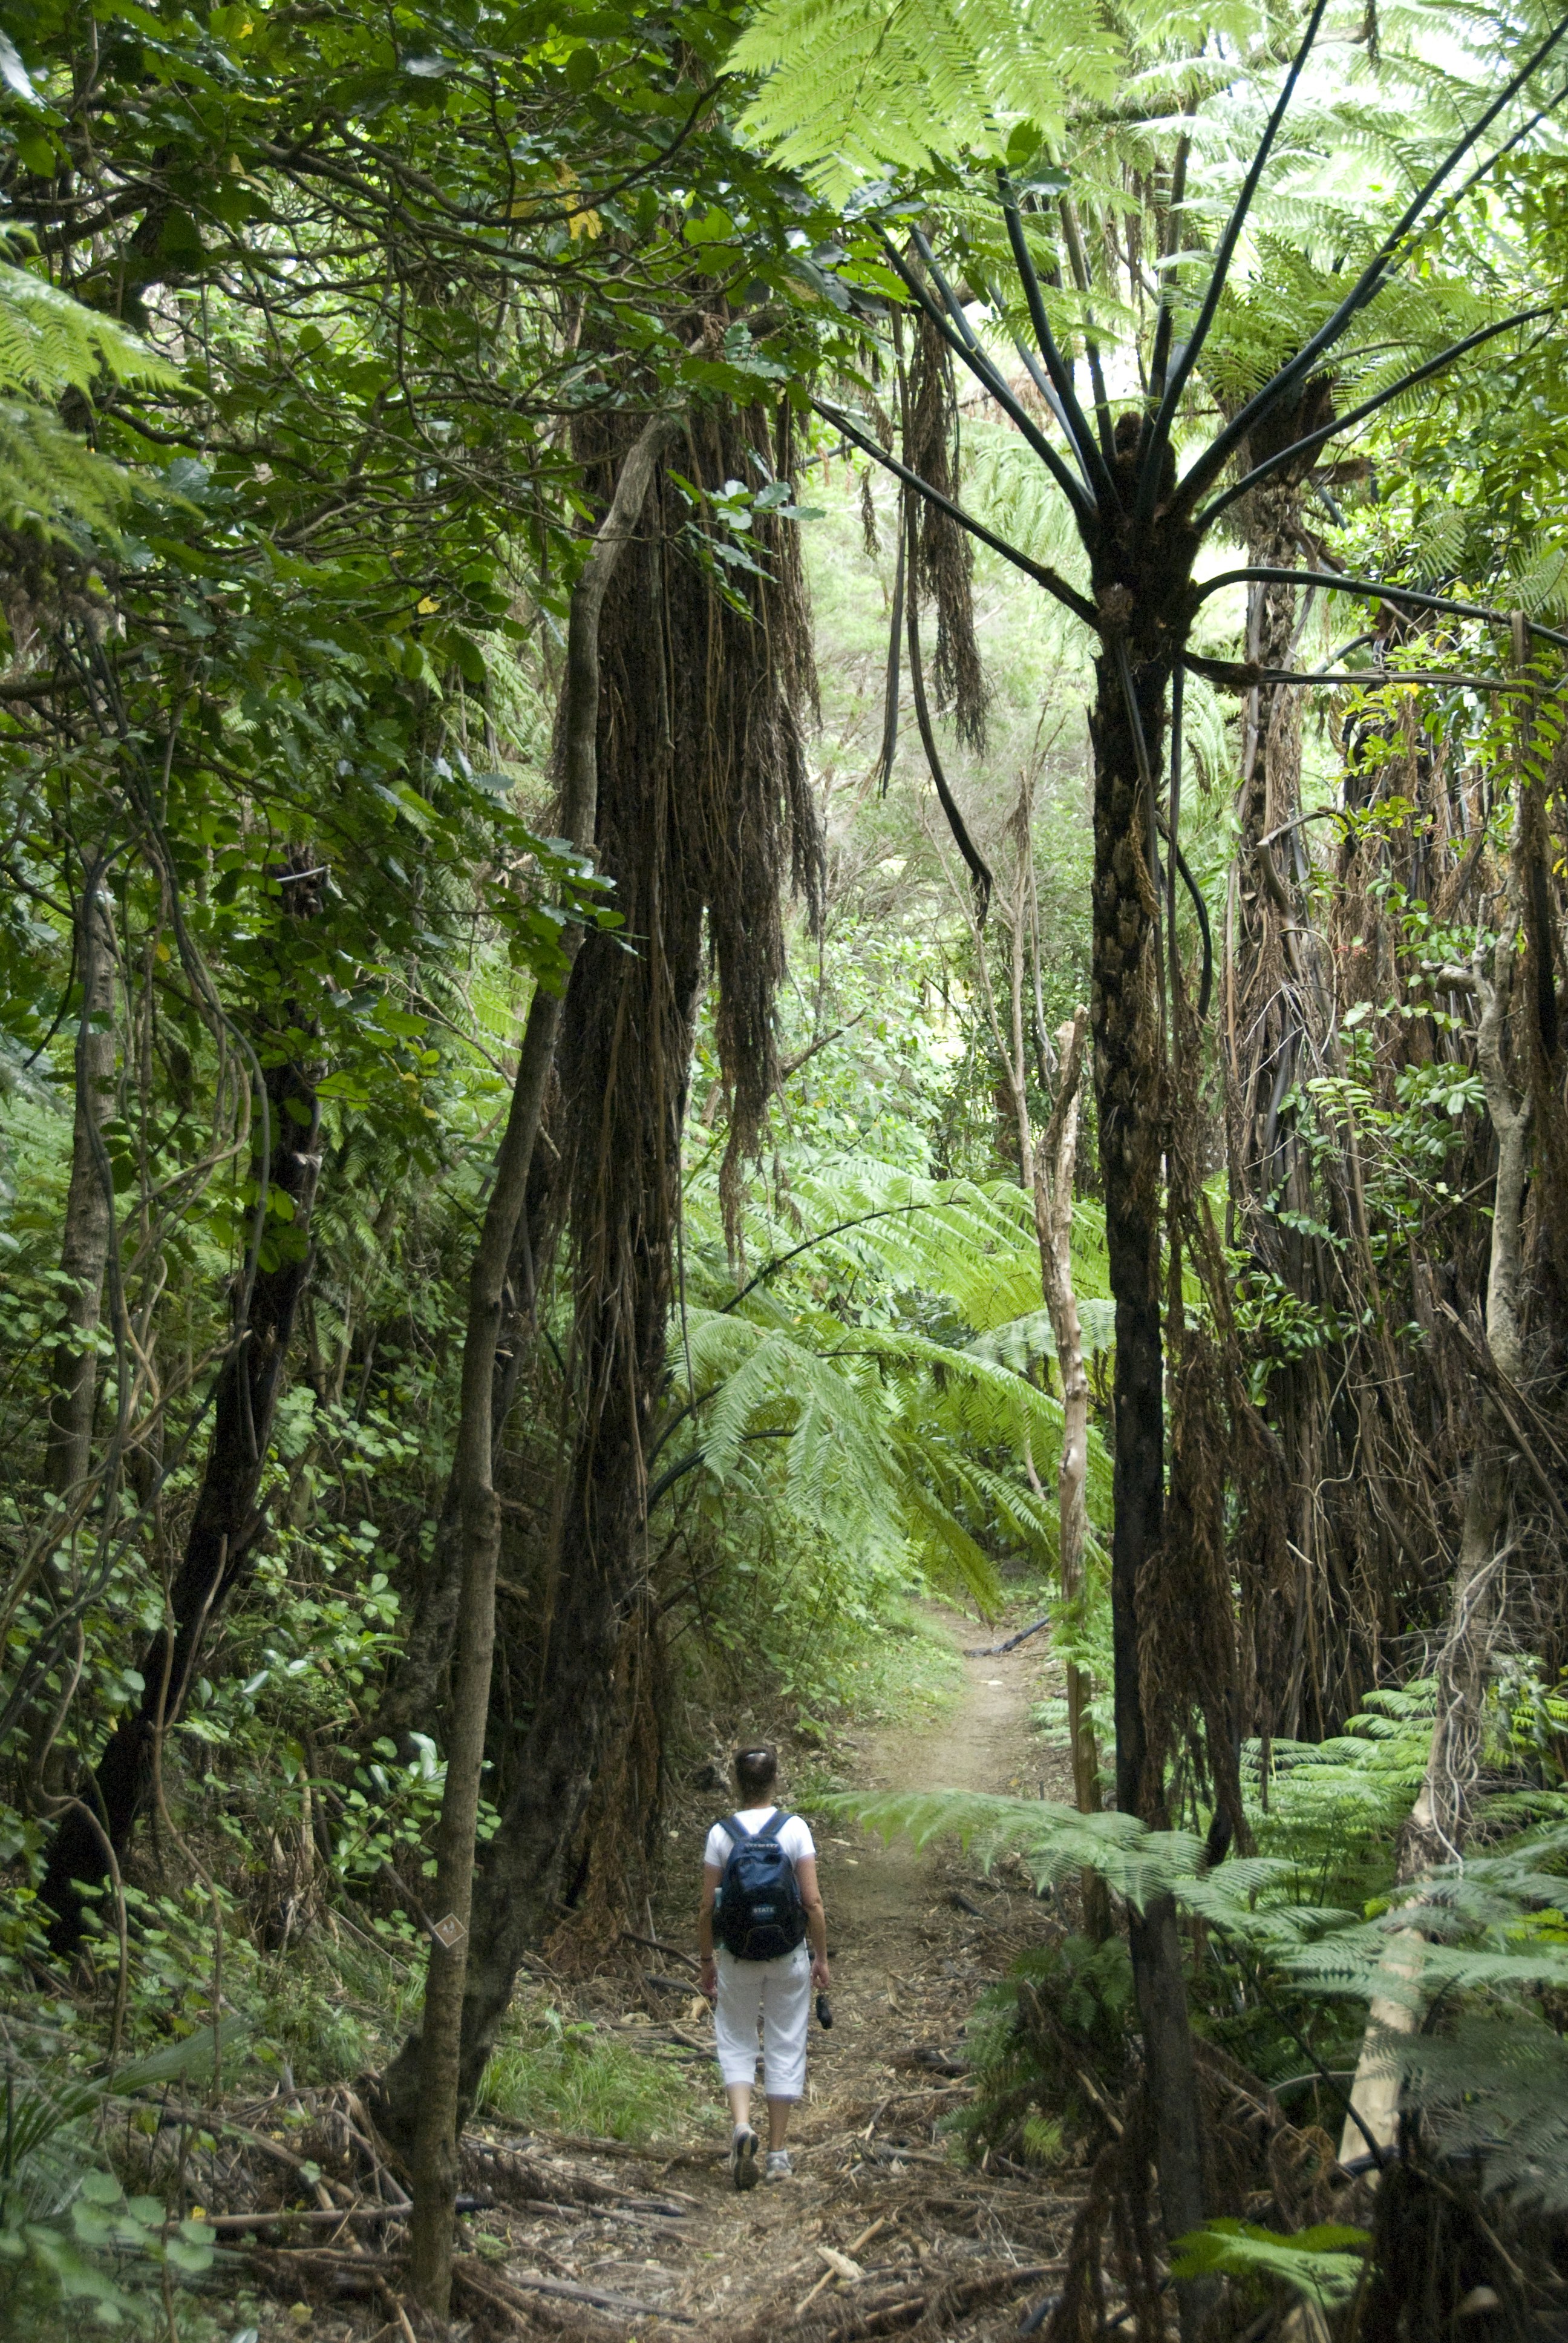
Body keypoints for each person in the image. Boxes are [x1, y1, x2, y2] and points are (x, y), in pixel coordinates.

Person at [697, 1744, 829, 2188]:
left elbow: (706, 1909)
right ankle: (777, 2154)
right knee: (786, 2042)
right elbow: (812, 1902)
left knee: (736, 2038)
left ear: (737, 1783)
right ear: (776, 1780)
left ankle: (741, 2126)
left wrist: (706, 1960)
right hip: (788, 1955)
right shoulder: (794, 1829)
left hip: (738, 1956)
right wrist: (821, 1957)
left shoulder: (721, 1835)